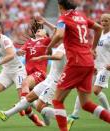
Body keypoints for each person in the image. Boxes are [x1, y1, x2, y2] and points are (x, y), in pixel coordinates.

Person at [37, 0, 110, 131]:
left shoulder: (64, 18)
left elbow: (60, 34)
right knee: (86, 104)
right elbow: (98, 28)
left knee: (57, 100)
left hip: (76, 63)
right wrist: (92, 49)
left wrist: (49, 47)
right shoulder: (81, 16)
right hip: (88, 62)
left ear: (60, 6)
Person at [0, 43, 66, 126]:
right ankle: (6, 114)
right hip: (49, 79)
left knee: (39, 107)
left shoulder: (67, 45)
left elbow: (58, 56)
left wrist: (42, 57)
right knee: (30, 98)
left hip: (54, 82)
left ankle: (67, 119)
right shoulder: (63, 44)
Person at [67, 13, 110, 130]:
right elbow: (94, 48)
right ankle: (75, 114)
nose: (104, 23)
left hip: (105, 68)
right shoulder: (99, 34)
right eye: (102, 20)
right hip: (94, 66)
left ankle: (108, 111)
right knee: (82, 89)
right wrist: (92, 55)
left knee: (96, 91)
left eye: (106, 20)